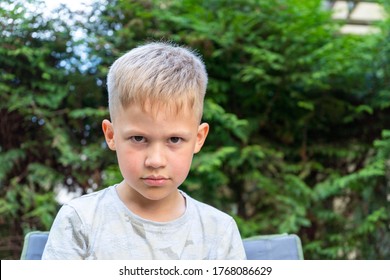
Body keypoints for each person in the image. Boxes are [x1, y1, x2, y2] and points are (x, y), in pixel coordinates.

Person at [42, 42, 246, 260]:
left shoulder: (220, 232)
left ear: (198, 139)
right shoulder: (80, 222)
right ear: (111, 135)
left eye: (174, 139)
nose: (155, 161)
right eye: (138, 138)